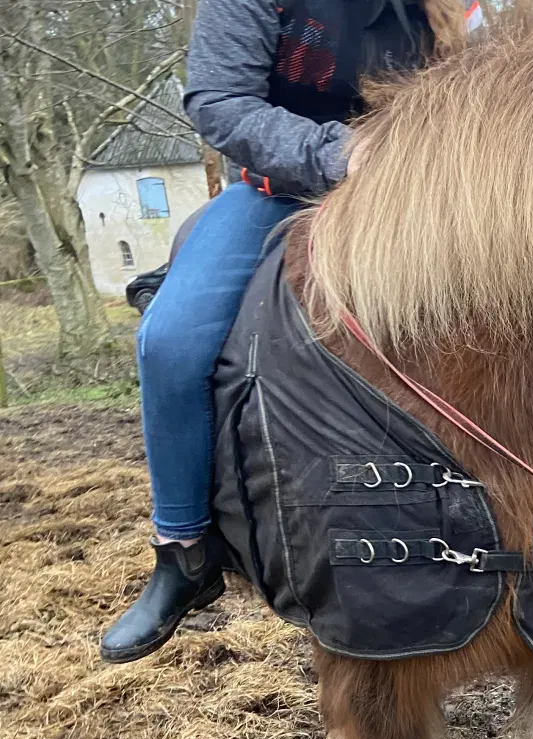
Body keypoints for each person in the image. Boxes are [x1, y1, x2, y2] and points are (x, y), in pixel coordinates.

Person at [101, 0, 452, 662]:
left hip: (426, 198)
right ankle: (185, 551)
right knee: (169, 345)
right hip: (281, 193)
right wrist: (336, 152)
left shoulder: (451, 7)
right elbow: (220, 99)